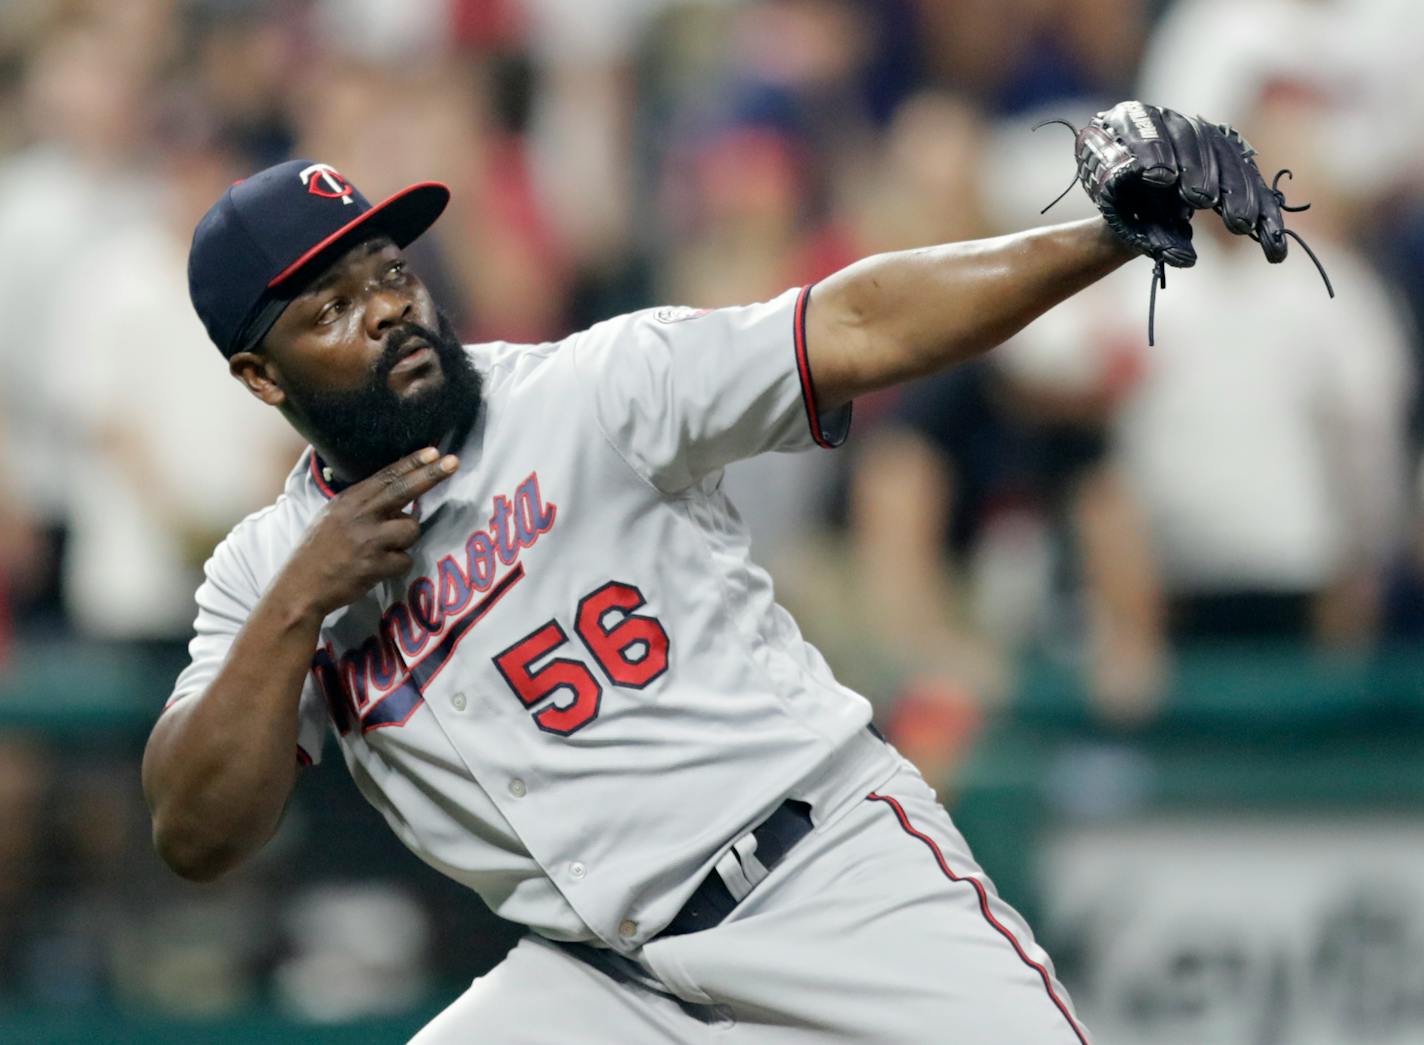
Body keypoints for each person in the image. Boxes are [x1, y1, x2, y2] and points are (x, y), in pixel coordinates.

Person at [142, 102, 1291, 1041]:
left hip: (824, 882)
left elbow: (852, 326)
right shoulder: (265, 575)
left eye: (388, 268)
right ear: (260, 375)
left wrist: (1097, 240)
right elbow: (194, 832)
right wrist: (303, 597)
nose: (388, 307)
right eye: (332, 307)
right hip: (601, 982)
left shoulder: (588, 392)